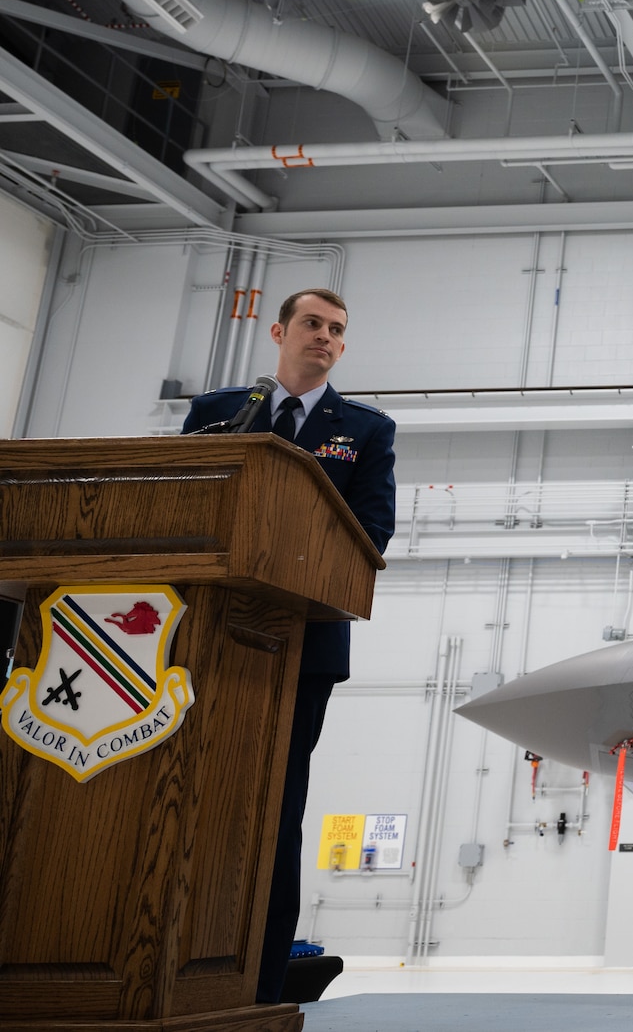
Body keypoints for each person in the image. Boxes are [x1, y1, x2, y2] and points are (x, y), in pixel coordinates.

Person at [182, 288, 396, 1004]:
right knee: (185, 797)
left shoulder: (364, 428)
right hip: (204, 640)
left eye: (338, 329)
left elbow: (369, 537)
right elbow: (183, 502)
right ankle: (173, 968)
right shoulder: (219, 413)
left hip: (301, 648)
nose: (326, 337)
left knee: (274, 811)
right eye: (313, 324)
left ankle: (262, 983)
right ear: (279, 330)